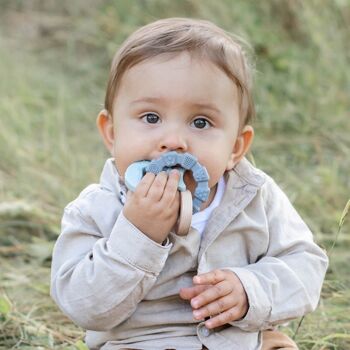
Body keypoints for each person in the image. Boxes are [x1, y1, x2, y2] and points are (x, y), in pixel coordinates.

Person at [50, 18, 328, 350]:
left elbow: (307, 266)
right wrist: (137, 235)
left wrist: (250, 289)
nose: (173, 141)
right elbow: (82, 306)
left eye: (201, 122)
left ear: (236, 148)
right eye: (151, 117)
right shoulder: (96, 209)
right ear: (112, 133)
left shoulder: (255, 196)